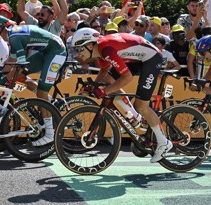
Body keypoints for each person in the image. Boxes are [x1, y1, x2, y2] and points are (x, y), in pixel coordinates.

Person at [70, 28, 172, 162]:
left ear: (90, 45)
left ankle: (164, 142)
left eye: (79, 49)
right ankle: (133, 116)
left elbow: (127, 78)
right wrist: (93, 85)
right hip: (137, 59)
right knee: (109, 80)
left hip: (151, 59)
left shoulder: (106, 50)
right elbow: (105, 69)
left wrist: (104, 92)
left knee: (142, 106)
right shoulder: (100, 50)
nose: (78, 54)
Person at [0, 15, 67, 146]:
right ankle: (49, 101)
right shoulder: (12, 36)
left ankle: (50, 134)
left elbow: (19, 65)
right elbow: (11, 63)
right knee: (20, 75)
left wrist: (4, 78)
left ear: (0, 29)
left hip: (56, 51)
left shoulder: (14, 38)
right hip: (47, 51)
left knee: (41, 92)